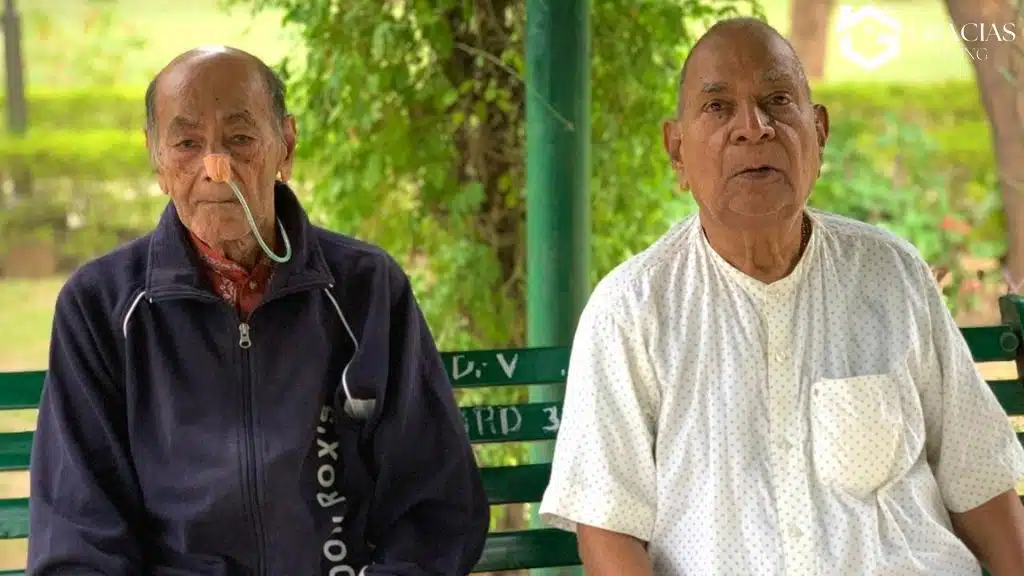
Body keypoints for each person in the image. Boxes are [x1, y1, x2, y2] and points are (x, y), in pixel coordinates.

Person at [539, 17, 1024, 576]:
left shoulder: (893, 277)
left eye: (777, 100)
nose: (754, 128)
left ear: (818, 131)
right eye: (718, 108)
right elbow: (608, 531)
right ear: (676, 149)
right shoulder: (630, 310)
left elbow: (979, 479)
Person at [28, 45, 489, 575]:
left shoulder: (366, 289)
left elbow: (435, 509)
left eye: (241, 139)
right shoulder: (101, 307)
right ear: (158, 160)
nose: (215, 169)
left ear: (285, 148)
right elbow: (77, 535)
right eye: (186, 143)